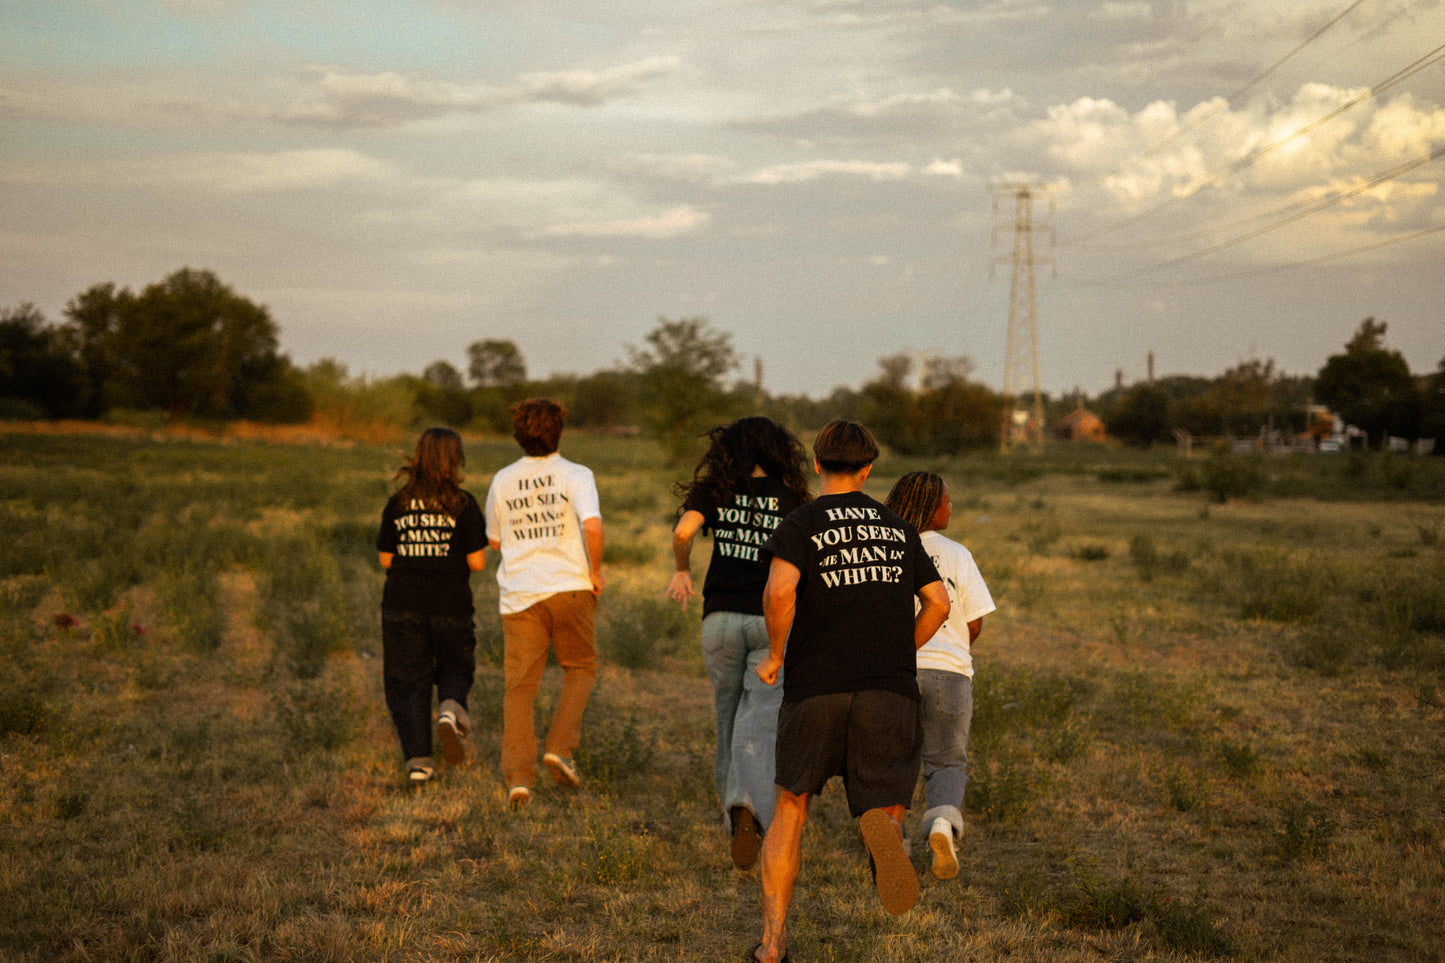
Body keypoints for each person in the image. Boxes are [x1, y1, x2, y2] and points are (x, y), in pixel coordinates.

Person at [750, 420, 950, 963]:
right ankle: (879, 831)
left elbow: (780, 589)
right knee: (885, 800)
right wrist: (899, 650)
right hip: (888, 689)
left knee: (790, 807)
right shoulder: (898, 528)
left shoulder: (801, 522)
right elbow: (939, 603)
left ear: (817, 465)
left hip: (817, 687)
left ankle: (772, 944)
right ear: (867, 470)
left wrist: (773, 653)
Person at [667, 416, 812, 869]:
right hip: (770, 622)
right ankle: (747, 803)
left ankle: (732, 815)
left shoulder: (714, 491)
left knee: (727, 714)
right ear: (778, 452)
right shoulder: (792, 500)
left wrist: (682, 570)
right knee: (761, 718)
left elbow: (682, 533)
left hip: (720, 619)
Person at [484, 398, 604, 810]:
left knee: (519, 688)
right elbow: (591, 525)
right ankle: (560, 747)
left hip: (520, 594)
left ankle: (518, 778)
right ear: (560, 433)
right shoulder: (577, 474)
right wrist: (596, 571)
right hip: (569, 586)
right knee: (581, 667)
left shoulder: (502, 479)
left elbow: (495, 540)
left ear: (518, 435)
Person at [884, 471, 996, 881]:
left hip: (896, 672)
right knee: (947, 761)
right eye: (947, 502)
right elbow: (975, 623)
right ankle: (942, 825)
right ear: (932, 509)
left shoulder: (888, 548)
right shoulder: (957, 553)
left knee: (894, 761)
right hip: (950, 674)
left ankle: (893, 839)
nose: (952, 507)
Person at [376, 426, 488, 785]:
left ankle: (420, 762)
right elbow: (477, 563)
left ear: (419, 457)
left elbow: (384, 558)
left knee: (407, 679)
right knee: (456, 662)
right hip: (450, 602)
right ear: (455, 460)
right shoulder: (464, 503)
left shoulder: (399, 502)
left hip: (402, 602)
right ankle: (451, 708)